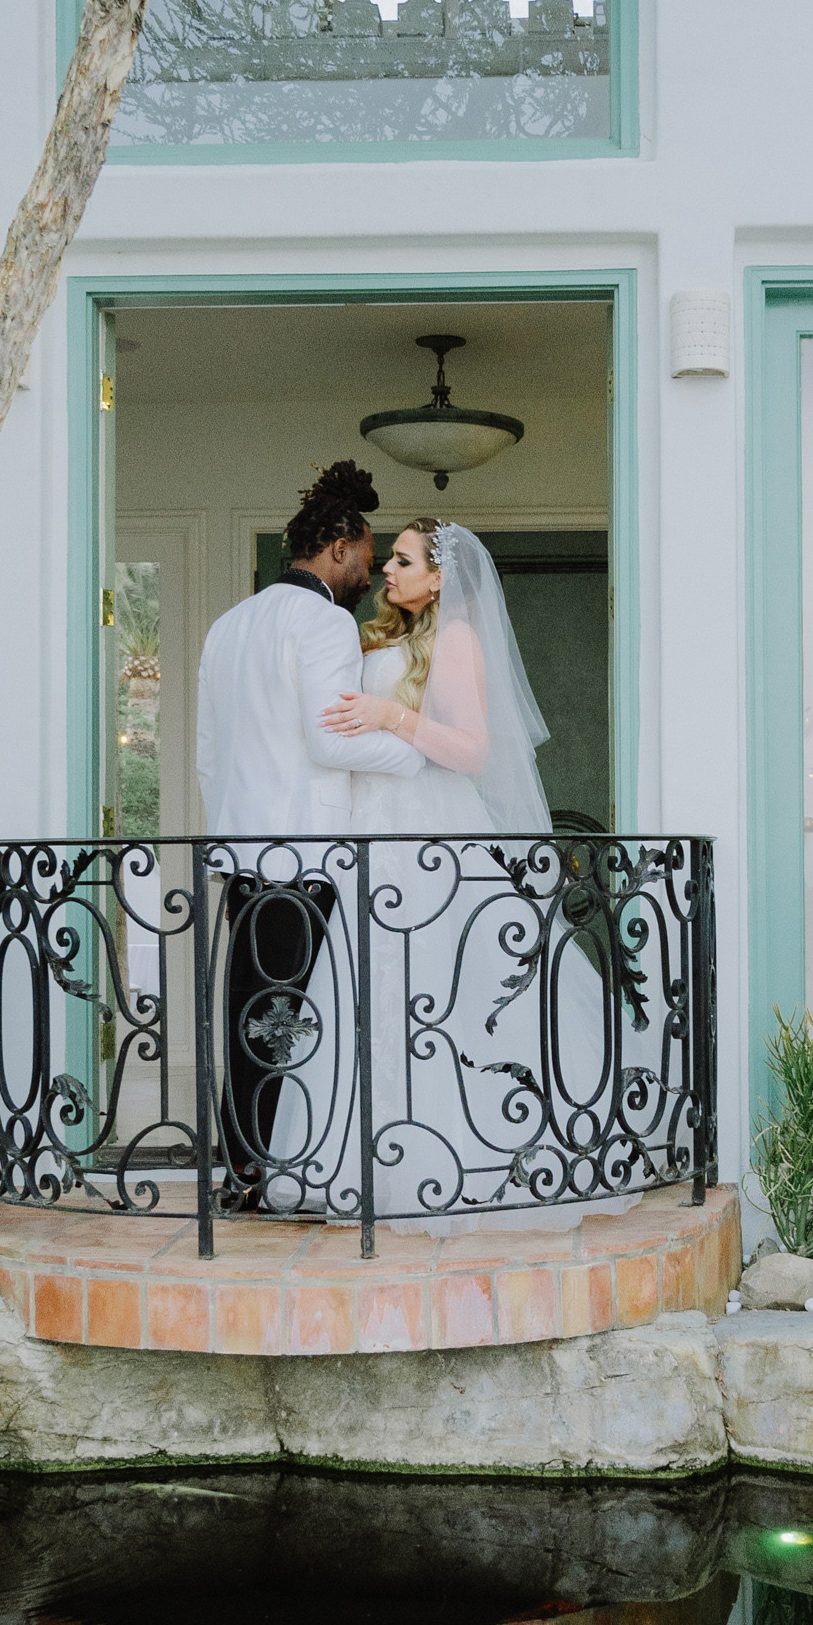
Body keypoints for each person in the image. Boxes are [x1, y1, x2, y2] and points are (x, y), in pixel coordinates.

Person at [321, 518, 633, 1229]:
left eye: (403, 561)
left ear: (439, 578)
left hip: (432, 829)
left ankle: (477, 1153)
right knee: (380, 984)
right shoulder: (387, 636)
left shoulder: (457, 639)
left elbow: (470, 750)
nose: (387, 570)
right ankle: (373, 1159)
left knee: (447, 985)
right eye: (390, 560)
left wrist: (389, 715)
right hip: (379, 826)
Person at [193, 460, 423, 1208]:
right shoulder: (324, 621)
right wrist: (414, 755)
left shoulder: (230, 624)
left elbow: (207, 756)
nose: (369, 571)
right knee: (288, 1018)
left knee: (251, 1015)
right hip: (303, 855)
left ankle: (244, 1167)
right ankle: (261, 1169)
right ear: (337, 546)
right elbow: (332, 740)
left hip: (243, 856)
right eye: (367, 554)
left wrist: (230, 845)